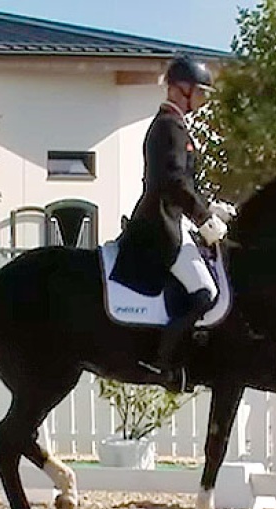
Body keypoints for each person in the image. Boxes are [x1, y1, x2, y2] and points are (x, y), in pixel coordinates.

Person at [110, 54, 230, 392]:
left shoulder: (174, 125)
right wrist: (203, 217)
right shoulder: (169, 126)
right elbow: (174, 182)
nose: (203, 101)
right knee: (205, 293)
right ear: (182, 89)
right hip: (160, 224)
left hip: (170, 217)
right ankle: (161, 364)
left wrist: (210, 207)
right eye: (200, 93)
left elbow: (185, 182)